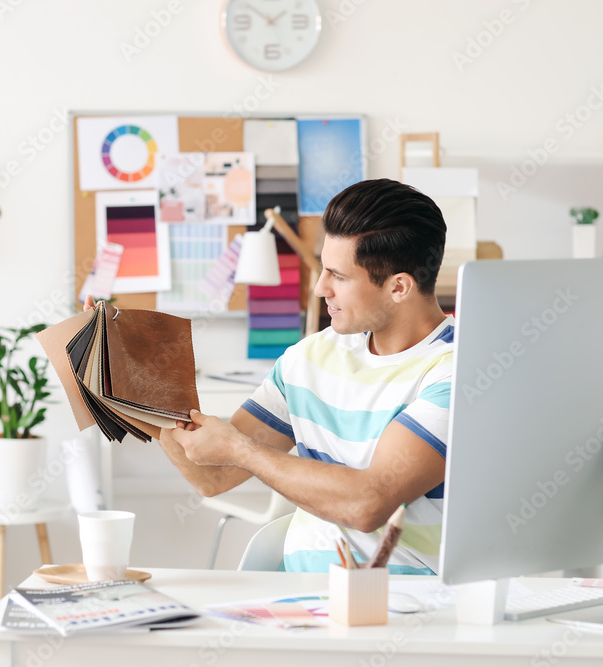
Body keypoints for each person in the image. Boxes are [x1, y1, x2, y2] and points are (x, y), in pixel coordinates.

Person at [86, 178, 453, 573]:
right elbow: (215, 476)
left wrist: (240, 448)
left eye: (339, 276)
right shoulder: (309, 358)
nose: (319, 288)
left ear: (399, 287)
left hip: (402, 608)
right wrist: (134, 384)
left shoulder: (455, 374)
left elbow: (367, 504)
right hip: (294, 603)